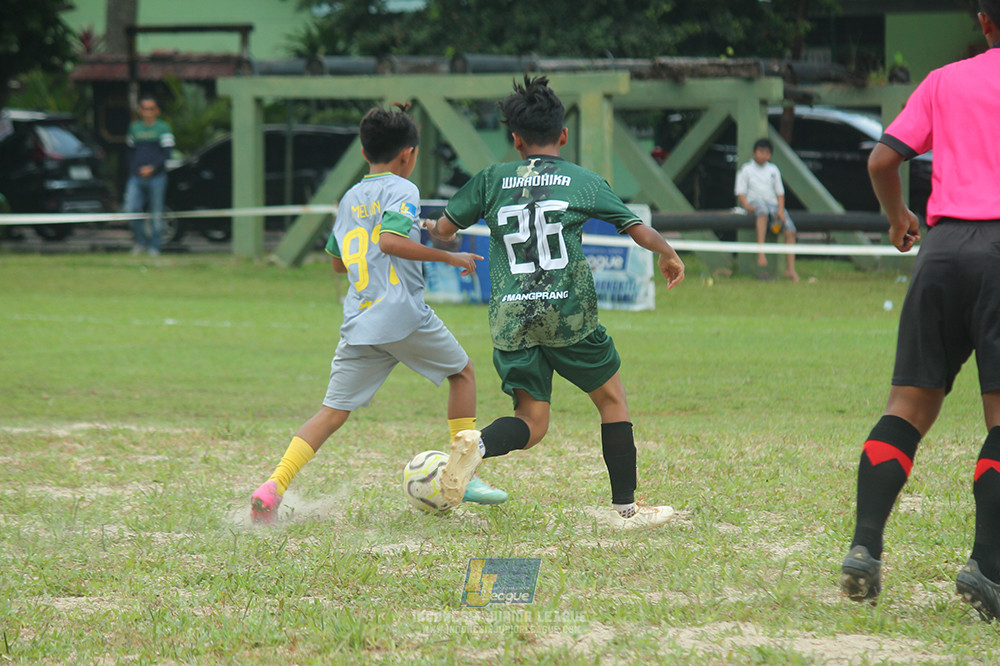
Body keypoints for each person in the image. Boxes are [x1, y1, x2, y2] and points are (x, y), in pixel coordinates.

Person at [424, 76, 686, 529]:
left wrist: (437, 231)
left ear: (515, 139)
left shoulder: (491, 179)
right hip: (569, 316)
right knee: (611, 402)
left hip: (512, 318)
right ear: (563, 135)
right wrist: (667, 253)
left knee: (532, 420)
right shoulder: (582, 181)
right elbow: (635, 227)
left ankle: (479, 445)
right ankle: (625, 508)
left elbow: (446, 231)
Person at [250, 103, 506, 524]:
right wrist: (449, 257)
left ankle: (273, 485)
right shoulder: (402, 189)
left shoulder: (351, 196)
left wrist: (405, 234)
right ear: (408, 154)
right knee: (462, 373)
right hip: (401, 314)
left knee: (331, 413)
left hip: (361, 320)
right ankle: (463, 474)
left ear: (366, 151)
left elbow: (337, 261)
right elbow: (388, 242)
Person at [839, 1, 1000, 622]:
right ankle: (987, 566)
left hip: (942, 251)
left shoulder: (944, 80)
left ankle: (865, 548)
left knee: (906, 408)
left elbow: (883, 159)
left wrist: (898, 217)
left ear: (983, 21)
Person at [735, 138, 799, 282]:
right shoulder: (747, 169)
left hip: (773, 205)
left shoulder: (773, 170)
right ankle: (761, 251)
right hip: (756, 203)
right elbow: (741, 192)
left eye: (767, 153)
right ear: (754, 153)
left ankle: (790, 269)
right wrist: (747, 206)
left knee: (790, 230)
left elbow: (780, 193)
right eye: (761, 152)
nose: (763, 155)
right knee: (762, 211)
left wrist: (781, 210)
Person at [124, 95, 174, 256]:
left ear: (157, 111)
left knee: (156, 212)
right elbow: (130, 152)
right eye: (144, 108)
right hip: (136, 177)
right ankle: (140, 242)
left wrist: (152, 168)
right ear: (140, 110)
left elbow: (167, 153)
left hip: (157, 177)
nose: (147, 112)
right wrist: (135, 170)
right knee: (131, 209)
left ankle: (155, 246)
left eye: (151, 109)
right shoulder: (134, 128)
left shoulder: (163, 128)